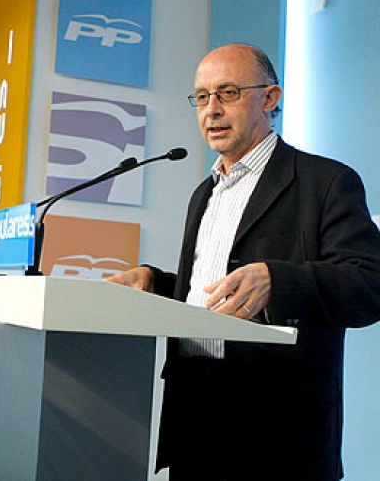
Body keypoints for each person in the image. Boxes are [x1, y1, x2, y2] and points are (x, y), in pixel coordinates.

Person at [109, 43, 380, 480]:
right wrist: (157, 284)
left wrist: (278, 281)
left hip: (279, 435)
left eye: (228, 93)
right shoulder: (205, 193)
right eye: (202, 97)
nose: (211, 110)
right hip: (196, 421)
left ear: (270, 98)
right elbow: (214, 290)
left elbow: (369, 284)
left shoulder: (326, 182)